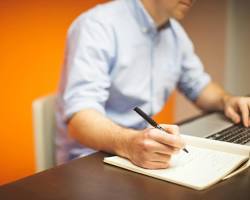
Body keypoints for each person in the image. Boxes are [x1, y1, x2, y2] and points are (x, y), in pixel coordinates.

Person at [56, 0, 250, 168]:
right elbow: (80, 118)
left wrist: (227, 100)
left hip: (142, 153)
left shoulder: (175, 34)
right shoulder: (97, 26)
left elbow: (198, 86)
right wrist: (128, 144)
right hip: (92, 159)